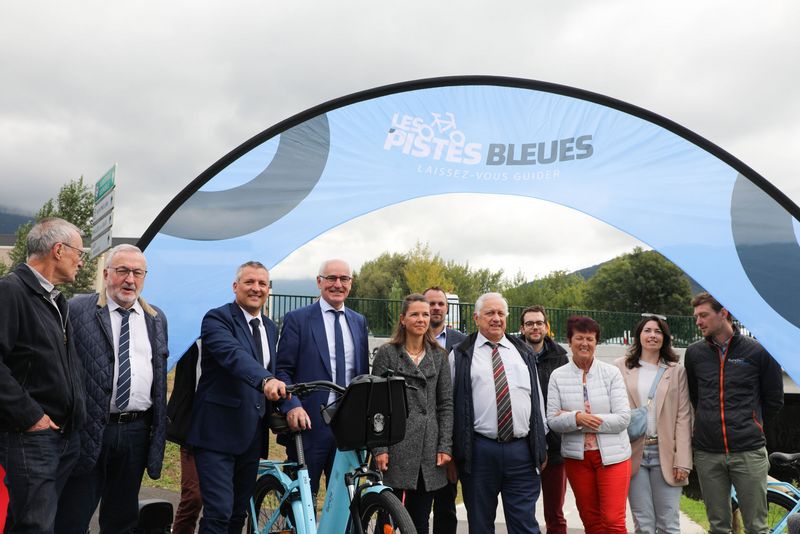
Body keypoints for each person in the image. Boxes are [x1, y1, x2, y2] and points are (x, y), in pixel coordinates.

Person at [55, 244, 169, 534]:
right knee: (73, 515)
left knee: (122, 519)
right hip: (90, 429)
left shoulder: (156, 318)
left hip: (135, 432)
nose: (130, 279)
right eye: (122, 271)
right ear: (106, 274)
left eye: (137, 272)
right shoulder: (77, 309)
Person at [187, 261, 288, 533]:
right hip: (216, 433)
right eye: (249, 282)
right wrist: (265, 379)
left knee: (237, 515)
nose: (256, 288)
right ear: (235, 287)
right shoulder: (217, 319)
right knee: (218, 512)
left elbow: (275, 370)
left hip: (252, 434)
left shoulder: (270, 327)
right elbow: (234, 356)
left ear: (269, 289)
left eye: (262, 283)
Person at [0, 217, 86, 533]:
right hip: (30, 436)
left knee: (27, 521)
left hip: (61, 437)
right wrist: (31, 416)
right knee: (35, 525)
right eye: (79, 251)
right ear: (58, 250)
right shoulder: (10, 292)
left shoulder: (56, 300)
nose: (81, 260)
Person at [685, 292, 784, 534]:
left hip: (748, 451)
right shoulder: (694, 354)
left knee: (756, 527)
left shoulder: (759, 352)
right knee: (718, 527)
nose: (698, 321)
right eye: (696, 316)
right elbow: (696, 397)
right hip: (708, 453)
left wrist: (750, 424)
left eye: (703, 315)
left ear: (724, 313)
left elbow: (774, 400)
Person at [450, 292, 548, 534]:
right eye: (489, 313)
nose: (496, 318)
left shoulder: (523, 352)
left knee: (525, 525)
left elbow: (537, 402)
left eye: (500, 313)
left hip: (522, 453)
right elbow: (449, 405)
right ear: (476, 318)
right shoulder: (461, 354)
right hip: (480, 451)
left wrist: (540, 444)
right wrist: (452, 453)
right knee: (481, 525)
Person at [275, 259, 370, 495]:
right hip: (309, 425)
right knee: (303, 502)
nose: (337, 284)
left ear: (351, 283)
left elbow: (361, 376)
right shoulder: (298, 319)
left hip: (347, 429)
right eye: (331, 278)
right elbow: (283, 371)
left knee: (345, 503)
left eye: (344, 279)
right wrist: (292, 406)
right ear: (319, 282)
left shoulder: (358, 322)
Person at [371, 294, 453, 534]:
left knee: (420, 520)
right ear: (403, 319)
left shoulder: (439, 356)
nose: (421, 319)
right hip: (396, 447)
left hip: (428, 450)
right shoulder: (387, 353)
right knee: (387, 521)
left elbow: (445, 404)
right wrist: (380, 448)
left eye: (425, 314)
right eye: (415, 314)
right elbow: (377, 405)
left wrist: (445, 446)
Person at [547, 315, 631, 533]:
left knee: (613, 520)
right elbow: (553, 420)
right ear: (569, 340)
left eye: (590, 339)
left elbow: (623, 418)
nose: (584, 343)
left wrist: (581, 420)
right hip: (578, 458)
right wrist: (575, 417)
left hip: (613, 457)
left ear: (596, 342)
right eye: (579, 338)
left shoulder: (611, 373)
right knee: (591, 520)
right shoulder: (558, 376)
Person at [614, 315, 692, 534]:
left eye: (658, 332)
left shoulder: (676, 371)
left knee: (669, 524)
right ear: (639, 335)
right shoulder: (620, 367)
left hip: (665, 453)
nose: (652, 335)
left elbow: (683, 417)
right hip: (633, 452)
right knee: (643, 524)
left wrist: (683, 460)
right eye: (647, 330)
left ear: (665, 338)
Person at [519, 305, 569, 534]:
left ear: (546, 327)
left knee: (555, 513)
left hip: (555, 445)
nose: (535, 327)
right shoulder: (512, 353)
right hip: (522, 445)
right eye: (529, 323)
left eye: (539, 322)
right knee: (521, 511)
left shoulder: (560, 356)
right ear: (522, 328)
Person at [423, 286, 466, 534]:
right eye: (431, 303)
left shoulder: (462, 343)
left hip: (448, 433)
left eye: (440, 304)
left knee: (446, 505)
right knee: (415, 507)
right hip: (419, 436)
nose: (436, 308)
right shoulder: (409, 341)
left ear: (446, 309)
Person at [165, 339, 204, 534]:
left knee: (223, 504)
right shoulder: (192, 341)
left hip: (227, 428)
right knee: (193, 496)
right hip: (193, 427)